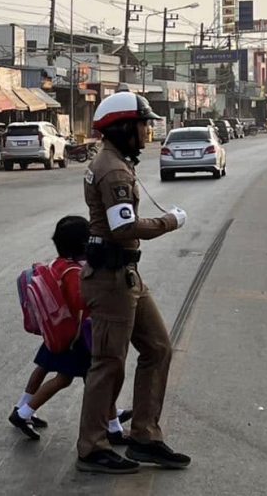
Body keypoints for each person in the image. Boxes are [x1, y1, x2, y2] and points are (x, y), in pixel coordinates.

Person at [76, 92, 189, 474]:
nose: (147, 131)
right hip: (111, 279)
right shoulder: (114, 171)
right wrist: (170, 221)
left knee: (158, 347)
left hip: (125, 275)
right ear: (123, 128)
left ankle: (145, 437)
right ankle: (92, 447)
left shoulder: (117, 162)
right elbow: (123, 227)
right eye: (143, 125)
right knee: (108, 364)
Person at [9, 216, 132, 443]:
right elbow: (81, 303)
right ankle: (24, 413)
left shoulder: (57, 264)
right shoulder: (74, 272)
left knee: (54, 370)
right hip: (77, 338)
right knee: (79, 378)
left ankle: (112, 420)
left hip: (57, 331)